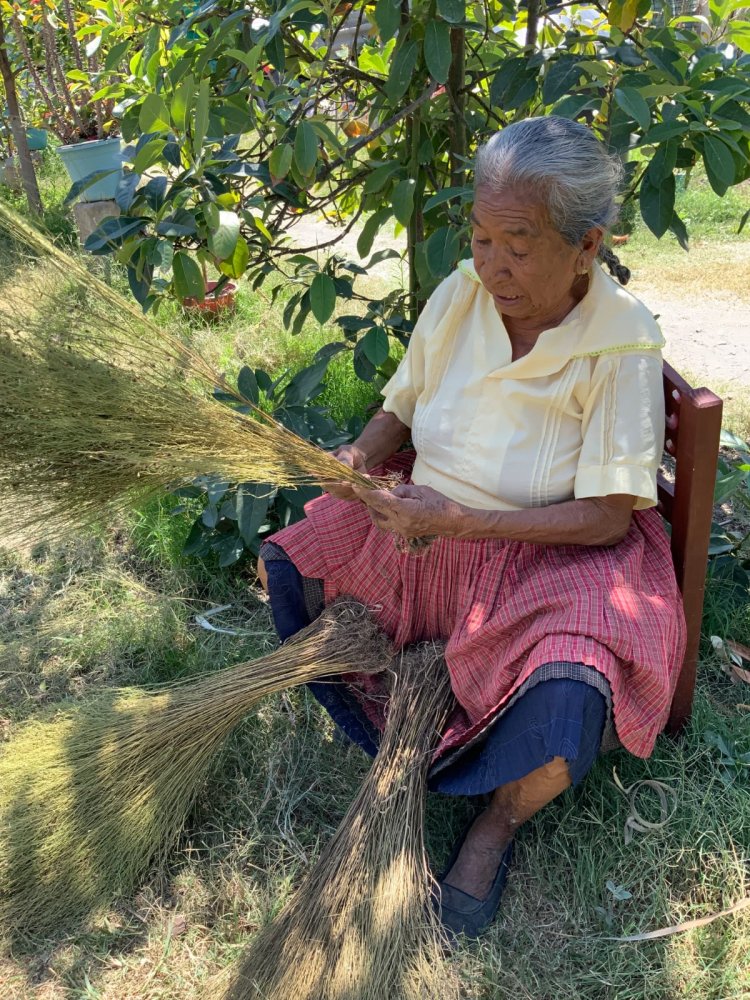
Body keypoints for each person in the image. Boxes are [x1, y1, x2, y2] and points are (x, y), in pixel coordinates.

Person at [257, 116, 686, 938]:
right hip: (428, 526)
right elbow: (402, 405)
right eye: (483, 238)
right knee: (297, 563)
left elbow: (603, 519)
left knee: (567, 713)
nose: (493, 265)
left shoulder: (620, 345)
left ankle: (497, 821)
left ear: (587, 244)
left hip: (546, 555)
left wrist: (460, 520)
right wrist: (359, 457)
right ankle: (399, 726)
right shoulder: (462, 292)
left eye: (518, 244)